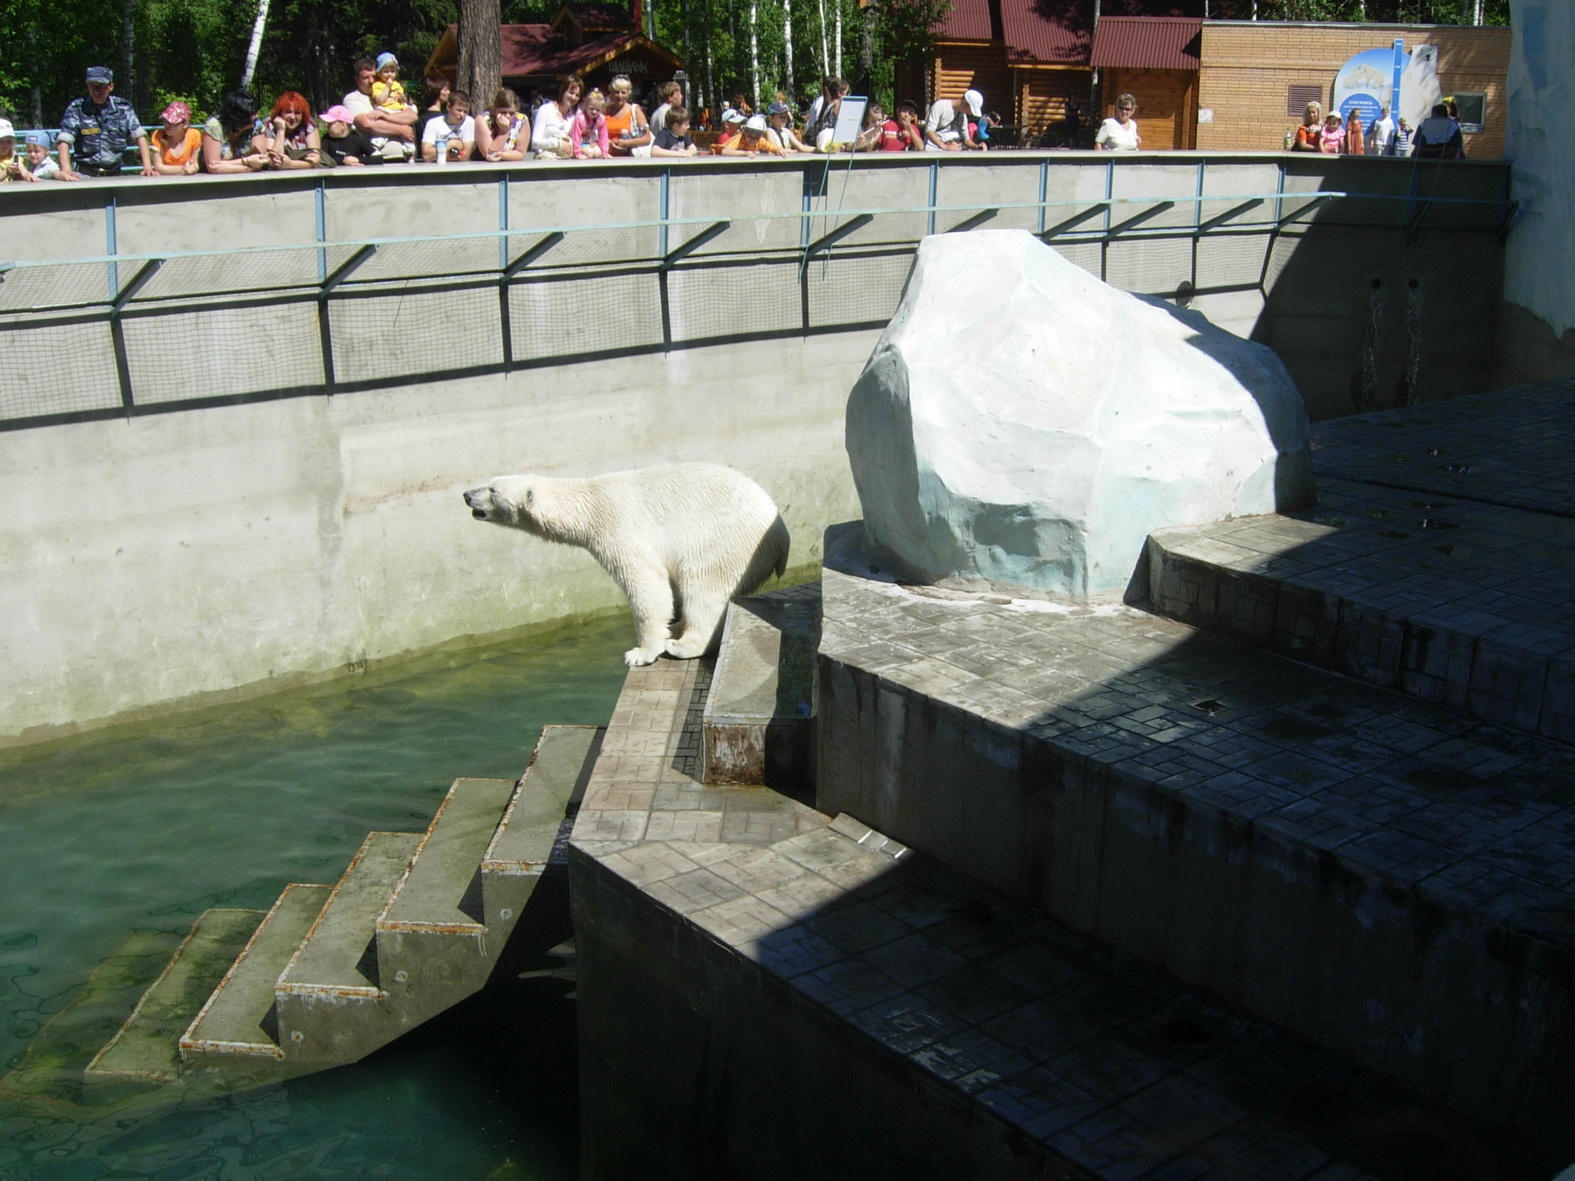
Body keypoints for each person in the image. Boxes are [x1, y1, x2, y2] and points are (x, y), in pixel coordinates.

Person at [57, 66, 155, 179]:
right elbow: (64, 140)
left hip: (115, 175)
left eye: (101, 86)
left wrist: (147, 167)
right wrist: (66, 170)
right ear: (87, 86)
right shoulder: (77, 108)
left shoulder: (123, 108)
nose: (97, 91)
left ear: (110, 86)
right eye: (92, 86)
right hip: (84, 175)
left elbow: (140, 136)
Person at [343, 57, 417, 161]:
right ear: (356, 79)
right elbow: (368, 124)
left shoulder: (392, 93)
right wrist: (401, 130)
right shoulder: (352, 98)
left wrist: (385, 116)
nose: (371, 81)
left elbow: (412, 116)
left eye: (374, 76)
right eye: (365, 78)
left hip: (402, 158)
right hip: (374, 161)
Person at [202, 90, 269, 172]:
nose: (257, 116)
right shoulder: (214, 125)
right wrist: (246, 162)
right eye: (252, 113)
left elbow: (259, 162)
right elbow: (213, 166)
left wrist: (224, 165)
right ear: (239, 115)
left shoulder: (257, 126)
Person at [263, 92, 321, 169]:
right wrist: (281, 130)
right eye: (288, 112)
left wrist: (291, 164)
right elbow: (273, 161)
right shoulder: (268, 125)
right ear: (280, 113)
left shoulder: (308, 125)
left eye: (297, 113)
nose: (293, 117)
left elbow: (315, 158)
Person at [531, 74, 582, 158]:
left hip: (569, 158)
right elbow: (535, 142)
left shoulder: (578, 114)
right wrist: (557, 143)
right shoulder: (545, 110)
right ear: (563, 91)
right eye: (571, 93)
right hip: (546, 157)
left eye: (577, 95)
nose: (573, 97)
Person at [421, 89, 475, 162]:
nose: (462, 114)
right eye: (459, 110)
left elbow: (464, 156)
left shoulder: (469, 122)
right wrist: (451, 144)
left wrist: (439, 154)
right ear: (449, 107)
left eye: (465, 112)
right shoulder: (433, 123)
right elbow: (426, 156)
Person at [604, 75, 651, 157]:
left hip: (629, 158)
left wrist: (626, 143)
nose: (620, 95)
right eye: (616, 92)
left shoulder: (635, 110)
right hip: (606, 157)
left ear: (628, 94)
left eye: (623, 92)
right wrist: (609, 143)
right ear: (611, 93)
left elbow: (647, 138)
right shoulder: (604, 111)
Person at [151, 102, 202, 175]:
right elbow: (158, 167)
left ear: (185, 124)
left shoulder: (194, 135)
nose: (167, 125)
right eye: (165, 121)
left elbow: (195, 164)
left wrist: (192, 168)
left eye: (172, 122)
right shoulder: (158, 135)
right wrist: (182, 169)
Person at [568, 89, 610, 159]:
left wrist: (605, 152)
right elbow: (576, 135)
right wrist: (577, 153)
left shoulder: (600, 118)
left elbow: (603, 136)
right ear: (586, 106)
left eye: (598, 110)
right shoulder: (580, 118)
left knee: (598, 153)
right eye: (591, 108)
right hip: (576, 142)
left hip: (588, 141)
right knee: (589, 154)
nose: (594, 112)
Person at [415, 77, 450, 157]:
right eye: (445, 90)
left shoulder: (419, 117)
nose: (449, 92)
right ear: (436, 92)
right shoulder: (444, 118)